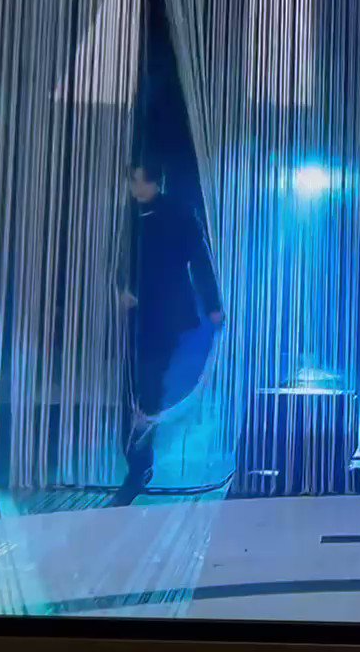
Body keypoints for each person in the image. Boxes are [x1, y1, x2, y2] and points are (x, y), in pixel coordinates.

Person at [111, 164, 224, 506]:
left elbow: (200, 260)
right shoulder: (127, 217)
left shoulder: (178, 214)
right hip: (132, 316)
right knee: (129, 390)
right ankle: (137, 461)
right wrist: (121, 289)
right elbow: (113, 260)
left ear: (150, 181)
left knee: (148, 388)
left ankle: (139, 468)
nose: (131, 188)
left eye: (134, 181)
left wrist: (213, 304)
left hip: (164, 315)